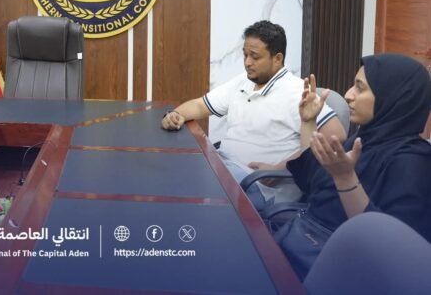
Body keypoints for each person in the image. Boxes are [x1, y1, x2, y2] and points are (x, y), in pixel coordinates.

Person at [276, 53, 431, 278]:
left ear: (393, 96)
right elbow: (313, 183)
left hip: (338, 270)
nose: (348, 95)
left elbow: (390, 249)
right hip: (303, 242)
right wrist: (308, 121)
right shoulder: (365, 138)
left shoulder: (412, 163)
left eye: (360, 88)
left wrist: (346, 178)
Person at [161, 21, 345, 205]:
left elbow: (336, 134)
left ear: (277, 58)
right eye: (245, 55)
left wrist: (281, 168)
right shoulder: (244, 81)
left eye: (255, 57)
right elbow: (200, 106)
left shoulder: (296, 91)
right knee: (172, 172)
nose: (247, 62)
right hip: (224, 166)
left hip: (258, 185)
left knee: (181, 188)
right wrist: (176, 115)